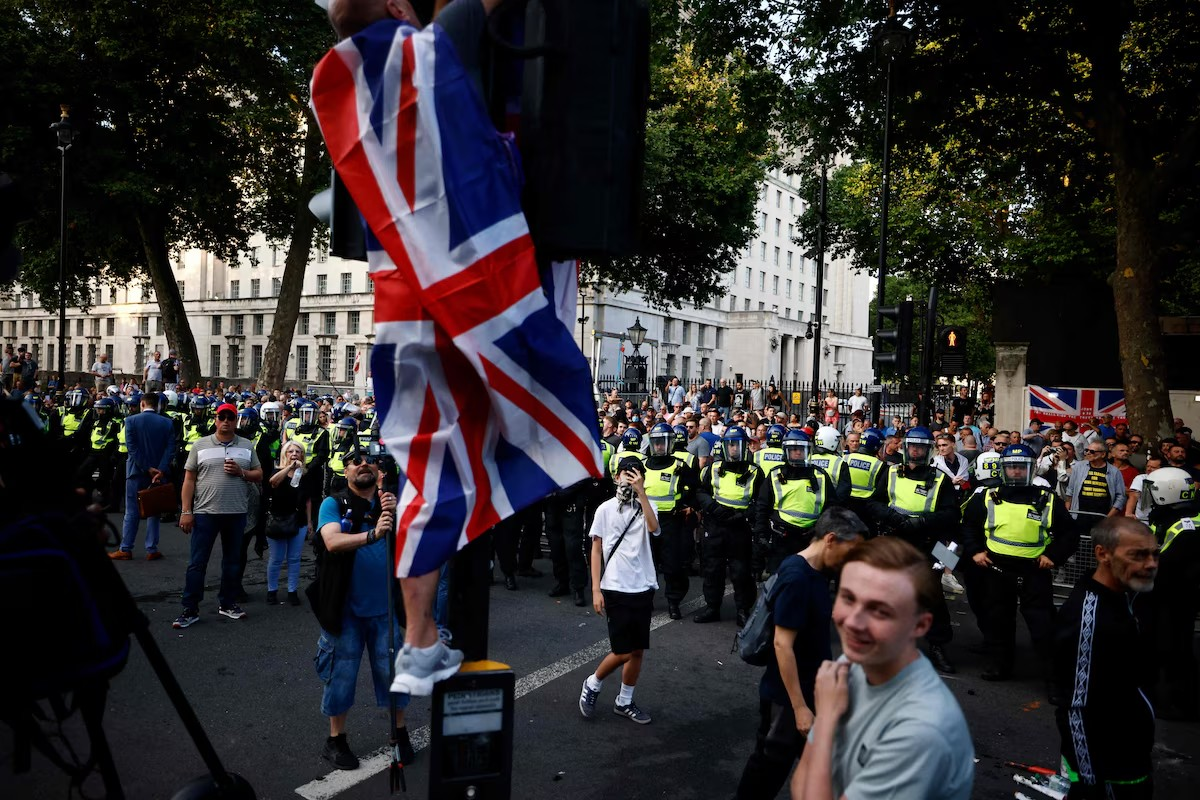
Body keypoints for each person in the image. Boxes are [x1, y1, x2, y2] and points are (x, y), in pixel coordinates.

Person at [790, 537, 974, 800]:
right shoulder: (856, 661)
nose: (854, 622)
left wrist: (827, 719)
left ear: (921, 626)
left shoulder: (921, 733)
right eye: (848, 598)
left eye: (880, 611)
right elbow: (800, 788)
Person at [734, 508, 867, 800]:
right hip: (788, 699)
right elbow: (783, 645)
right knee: (766, 772)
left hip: (812, 690)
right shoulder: (798, 577)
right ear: (831, 539)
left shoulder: (816, 572)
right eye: (851, 551)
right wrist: (799, 708)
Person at [312, 448, 421, 770]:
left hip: (384, 609)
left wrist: (398, 516)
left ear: (380, 472)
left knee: (393, 675)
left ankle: (399, 733)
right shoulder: (333, 504)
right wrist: (373, 533)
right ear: (345, 472)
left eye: (369, 461)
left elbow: (415, 545)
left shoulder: (390, 504)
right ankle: (336, 740)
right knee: (341, 676)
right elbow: (331, 542)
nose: (362, 464)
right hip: (345, 609)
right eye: (354, 461)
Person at [1053, 516, 1158, 799]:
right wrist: (1088, 780)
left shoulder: (1127, 595)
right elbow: (1075, 706)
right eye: (1138, 555)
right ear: (1103, 554)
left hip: (1133, 753)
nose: (1151, 564)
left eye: (1154, 554)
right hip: (1107, 769)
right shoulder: (1086, 619)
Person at [961, 444, 1075, 702]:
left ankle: (1054, 680)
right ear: (1003, 469)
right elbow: (969, 526)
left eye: (1020, 466)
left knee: (1043, 626)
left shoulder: (1047, 498)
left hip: (1034, 571)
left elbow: (1069, 534)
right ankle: (1000, 666)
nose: (1015, 471)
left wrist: (1053, 556)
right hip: (996, 569)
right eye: (1011, 466)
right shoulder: (987, 497)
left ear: (1031, 469)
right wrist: (976, 551)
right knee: (997, 621)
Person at [868, 426, 960, 673]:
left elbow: (953, 515)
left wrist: (923, 522)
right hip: (896, 542)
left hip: (928, 543)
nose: (916, 450)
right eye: (912, 446)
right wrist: (892, 517)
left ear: (928, 450)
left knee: (933, 598)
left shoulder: (940, 479)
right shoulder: (890, 472)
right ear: (906, 448)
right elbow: (873, 503)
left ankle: (938, 646)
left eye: (921, 447)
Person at [578, 457, 660, 725]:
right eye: (626, 474)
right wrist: (595, 589)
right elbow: (596, 548)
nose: (630, 479)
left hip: (643, 586)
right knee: (623, 649)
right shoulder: (605, 509)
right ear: (616, 477)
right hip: (615, 586)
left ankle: (624, 700)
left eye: (636, 475)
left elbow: (653, 528)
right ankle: (593, 683)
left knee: (637, 651)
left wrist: (642, 494)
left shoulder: (648, 504)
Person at [173, 402, 263, 628]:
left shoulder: (246, 445)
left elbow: (259, 474)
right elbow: (189, 480)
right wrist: (186, 511)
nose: (225, 421)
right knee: (197, 563)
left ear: (235, 421)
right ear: (215, 420)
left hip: (236, 512)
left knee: (232, 562)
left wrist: (241, 472)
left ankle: (228, 602)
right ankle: (190, 608)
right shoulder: (200, 445)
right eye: (221, 417)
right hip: (205, 512)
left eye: (230, 418)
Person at [1139, 467, 1200, 720]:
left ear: (1167, 492)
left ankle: (1178, 704)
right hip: (1165, 595)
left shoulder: (1185, 527)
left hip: (1173, 598)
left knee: (1174, 650)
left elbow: (1166, 563)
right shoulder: (1171, 516)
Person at [694, 426, 764, 625]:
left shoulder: (754, 472)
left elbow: (762, 501)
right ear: (724, 447)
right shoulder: (713, 469)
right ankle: (712, 607)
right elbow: (701, 492)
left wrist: (743, 515)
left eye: (737, 445)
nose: (734, 449)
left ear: (745, 447)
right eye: (730, 445)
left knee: (741, 572)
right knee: (712, 569)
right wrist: (714, 508)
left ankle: (743, 610)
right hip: (715, 525)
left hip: (739, 527)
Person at [111, 392, 176, 560]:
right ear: (158, 405)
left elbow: (132, 449)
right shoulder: (167, 423)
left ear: (142, 404)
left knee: (131, 511)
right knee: (154, 511)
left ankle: (126, 548)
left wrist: (147, 467)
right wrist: (160, 469)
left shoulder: (131, 420)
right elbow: (170, 449)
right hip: (159, 473)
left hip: (136, 472)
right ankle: (151, 548)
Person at [1066, 441, 1126, 532]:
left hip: (1103, 517)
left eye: (1092, 451)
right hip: (1079, 515)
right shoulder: (1079, 467)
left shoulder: (1114, 472)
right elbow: (1070, 491)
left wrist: (1108, 518)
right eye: (1087, 450)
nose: (1088, 453)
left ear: (1103, 454)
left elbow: (1121, 497)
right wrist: (1068, 513)